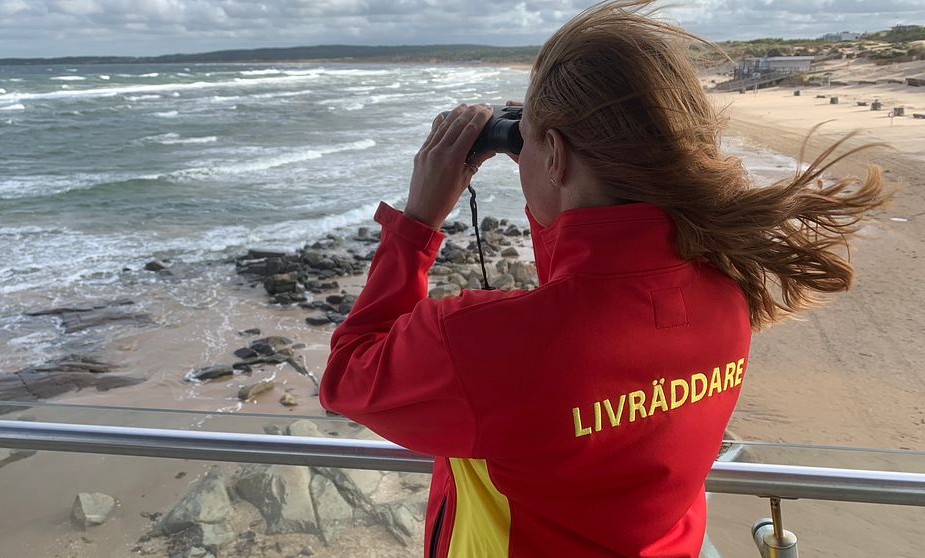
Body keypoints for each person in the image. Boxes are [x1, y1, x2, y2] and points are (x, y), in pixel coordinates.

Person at [319, 1, 888, 556]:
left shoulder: (484, 344)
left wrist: (416, 222)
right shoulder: (725, 289)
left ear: (557, 158)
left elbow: (346, 375)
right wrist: (548, 159)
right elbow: (589, 301)